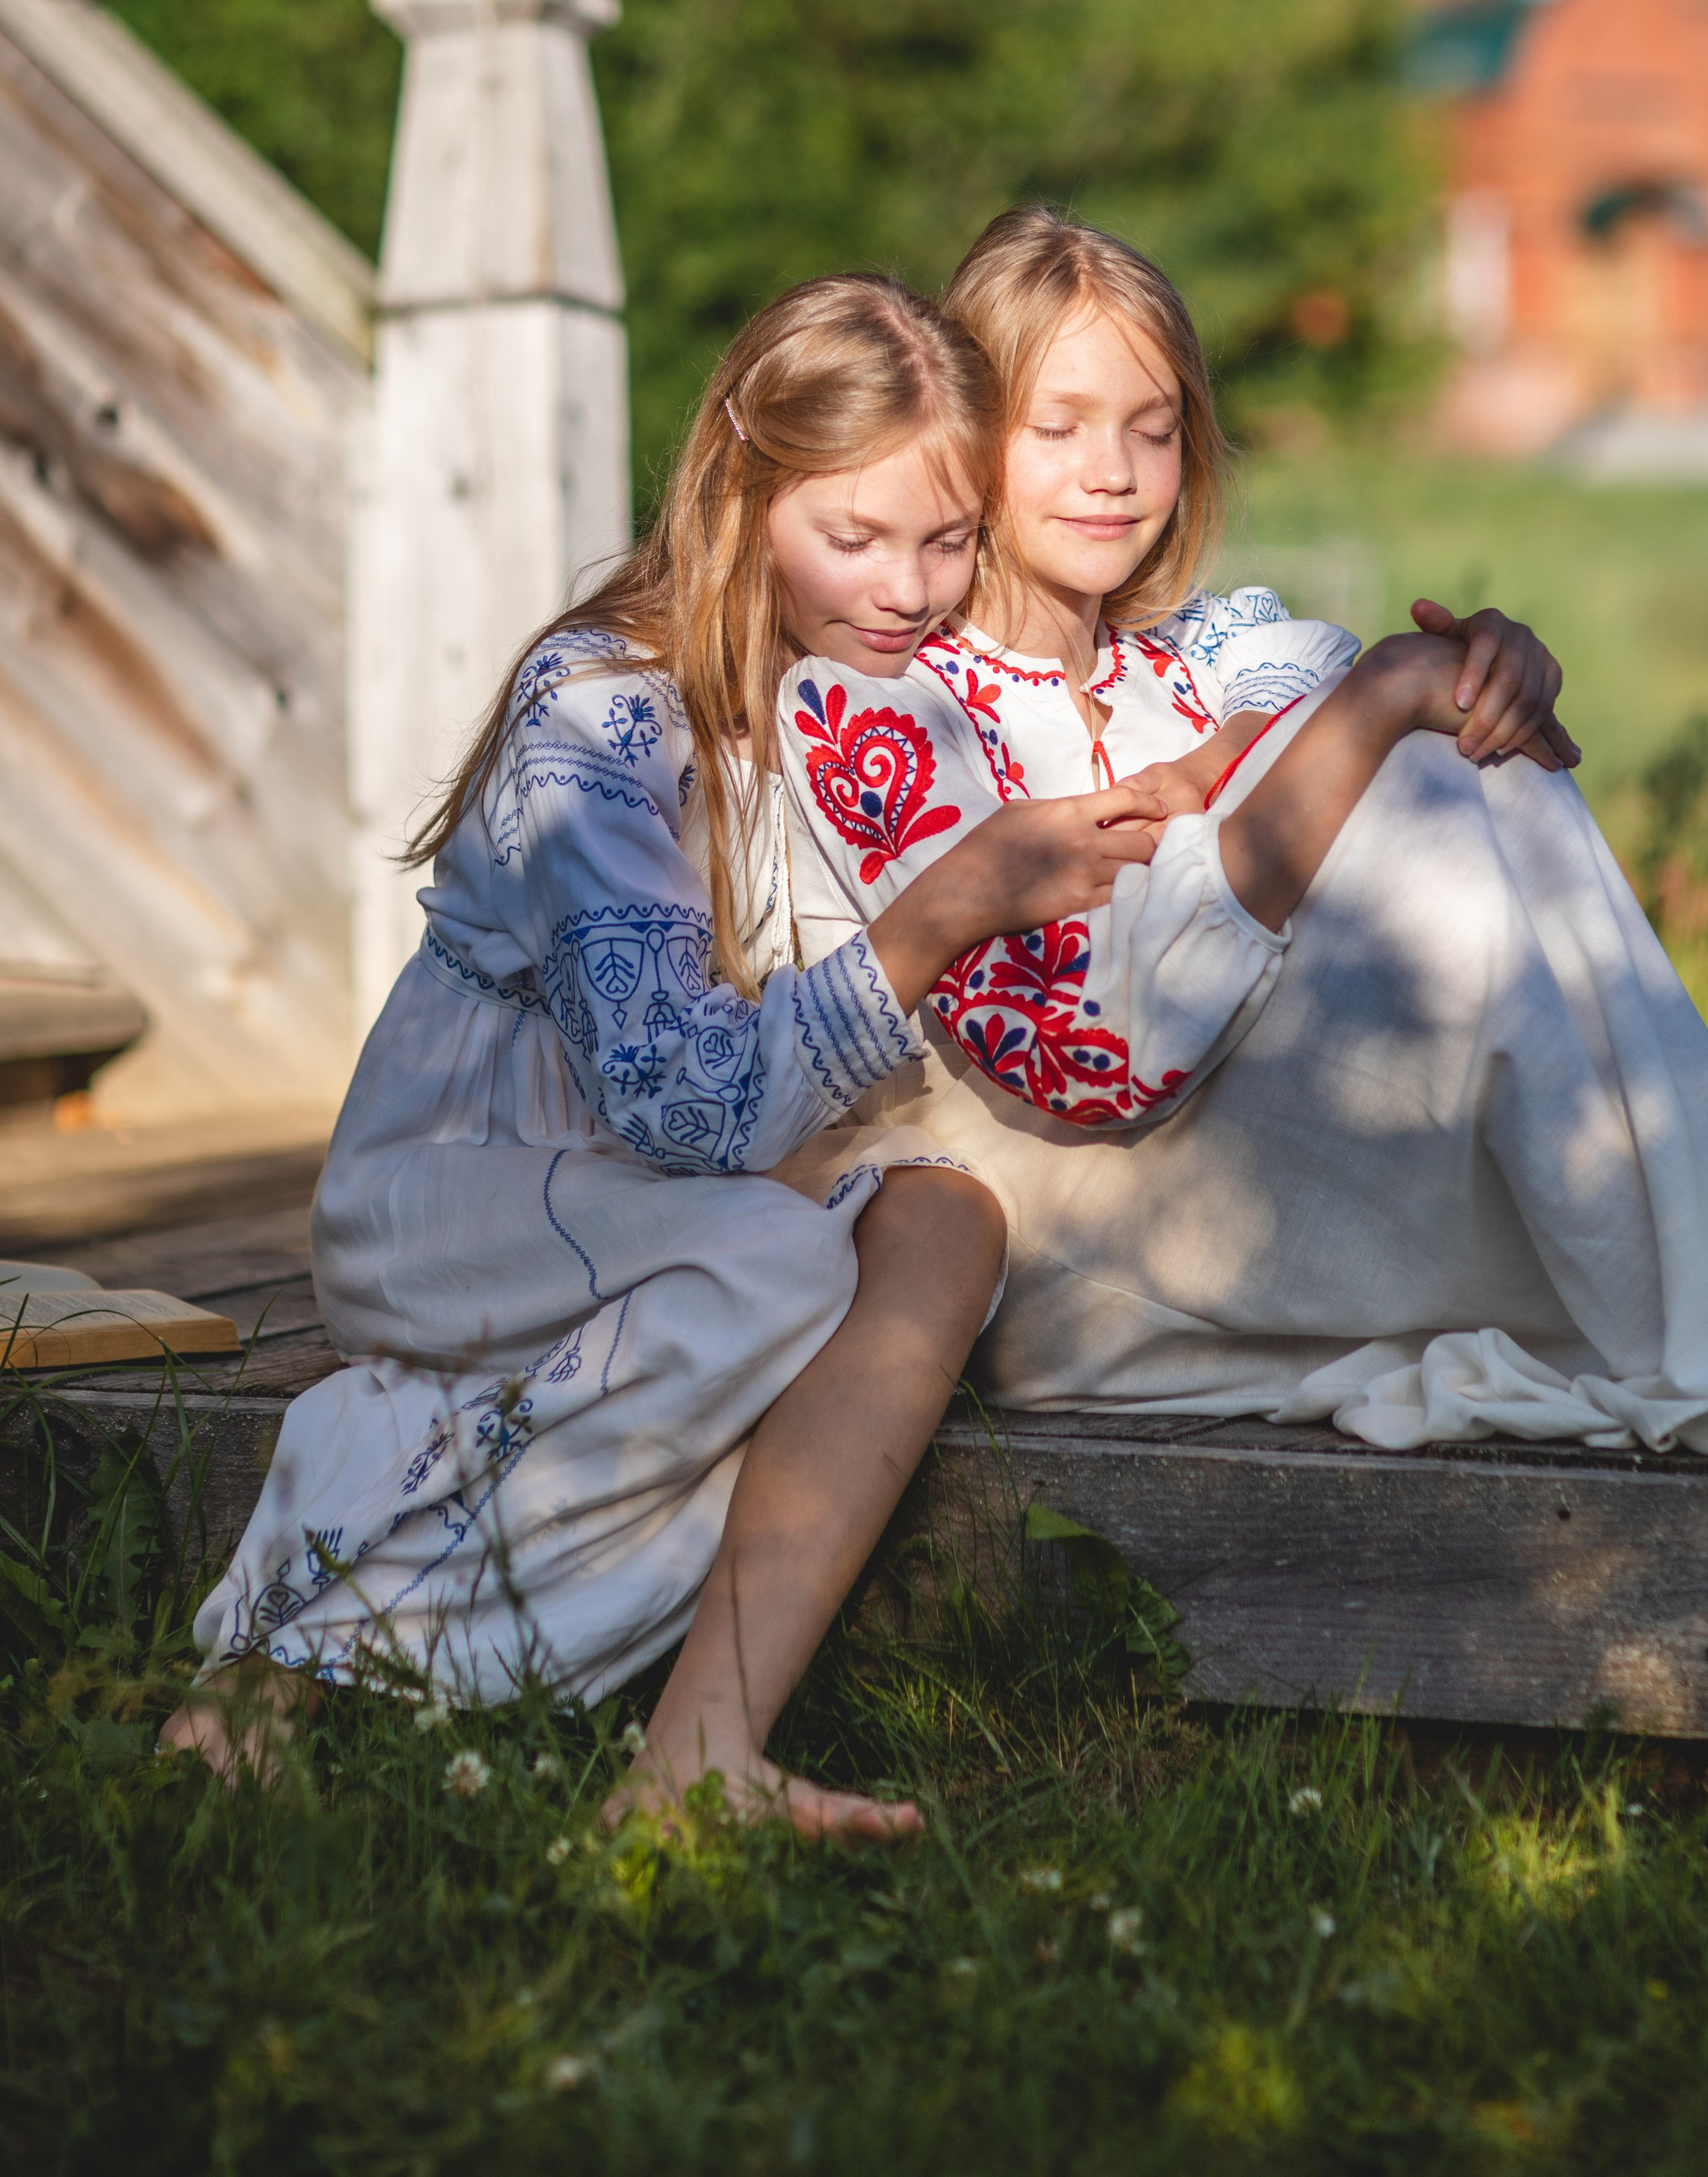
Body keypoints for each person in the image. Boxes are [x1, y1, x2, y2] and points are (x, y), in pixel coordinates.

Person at [162, 275, 1175, 1839]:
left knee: (945, 1220)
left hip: (651, 1189)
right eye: (855, 536)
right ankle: (308, 1638)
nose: (910, 588)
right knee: (773, 1264)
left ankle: (698, 1751)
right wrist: (949, 907)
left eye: (948, 539)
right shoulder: (598, 717)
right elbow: (683, 1104)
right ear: (739, 488)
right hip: (462, 1185)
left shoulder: (836, 685)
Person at [776, 206, 1708, 1498]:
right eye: (1059, 425)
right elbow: (1091, 1064)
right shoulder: (885, 703)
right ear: (967, 432)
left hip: (1221, 1178)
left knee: (1468, 751)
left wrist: (1454, 684)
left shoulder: (1184, 668)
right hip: (1061, 1242)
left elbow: (1322, 735)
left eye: (1154, 427)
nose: (1115, 471)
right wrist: (1374, 702)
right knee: (1419, 749)